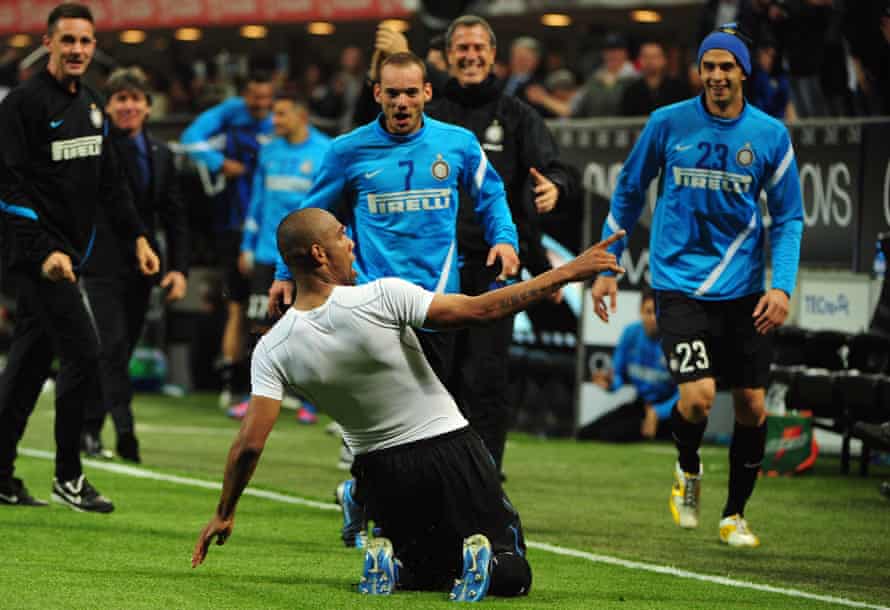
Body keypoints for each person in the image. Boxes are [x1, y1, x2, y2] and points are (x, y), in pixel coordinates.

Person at [192, 207, 625, 600]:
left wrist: (224, 513)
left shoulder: (274, 348)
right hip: (448, 450)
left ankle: (396, 564)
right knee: (514, 573)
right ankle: (488, 565)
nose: (352, 242)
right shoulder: (380, 296)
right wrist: (568, 272)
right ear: (320, 255)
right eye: (343, 235)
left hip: (379, 475)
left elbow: (250, 443)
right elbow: (478, 311)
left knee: (431, 572)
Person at [590, 23, 804, 547]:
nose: (716, 76)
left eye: (726, 66)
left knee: (752, 405)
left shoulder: (771, 136)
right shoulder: (668, 123)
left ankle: (735, 514)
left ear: (743, 72)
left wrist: (783, 288)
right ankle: (688, 468)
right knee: (699, 397)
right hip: (679, 284)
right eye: (708, 66)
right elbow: (628, 191)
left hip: (746, 290)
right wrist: (605, 263)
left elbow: (790, 218)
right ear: (699, 71)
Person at [372, 15, 577, 477]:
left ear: (492, 54)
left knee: (485, 377)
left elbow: (556, 169)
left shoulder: (519, 116)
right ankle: (418, 479)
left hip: (492, 267)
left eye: (478, 47)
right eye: (461, 47)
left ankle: (484, 482)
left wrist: (556, 190)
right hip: (427, 267)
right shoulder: (428, 110)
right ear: (448, 56)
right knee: (426, 378)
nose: (470, 55)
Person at [268, 52, 520, 389]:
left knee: (434, 412)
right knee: (379, 409)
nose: (402, 102)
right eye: (393, 93)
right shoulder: (347, 151)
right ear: (377, 94)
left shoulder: (458, 143)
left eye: (411, 93)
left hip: (437, 301)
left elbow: (491, 194)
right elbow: (310, 218)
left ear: (427, 93)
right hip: (371, 301)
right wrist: (286, 274)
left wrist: (504, 239)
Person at [0, 3, 159, 511]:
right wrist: (44, 250)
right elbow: (8, 186)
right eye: (67, 40)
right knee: (86, 352)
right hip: (36, 258)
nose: (77, 50)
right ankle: (68, 477)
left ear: (94, 47)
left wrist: (137, 236)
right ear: (48, 42)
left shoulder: (92, 105)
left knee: (27, 364)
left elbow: (110, 184)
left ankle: (0, 474)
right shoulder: (22, 105)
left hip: (70, 255)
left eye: (85, 41)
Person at [76, 67, 189, 464]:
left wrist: (178, 269)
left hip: (144, 267)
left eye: (135, 98)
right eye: (120, 99)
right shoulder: (96, 148)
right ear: (108, 107)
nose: (128, 106)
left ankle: (89, 427)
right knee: (111, 346)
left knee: (118, 355)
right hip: (101, 262)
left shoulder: (162, 154)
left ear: (147, 105)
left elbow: (175, 215)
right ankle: (124, 433)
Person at [226, 94, 331, 421]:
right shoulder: (269, 150)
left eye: (282, 113)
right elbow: (257, 201)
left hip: (306, 256)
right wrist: (247, 244)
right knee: (260, 326)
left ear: (302, 115)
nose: (275, 120)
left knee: (308, 327)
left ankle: (310, 401)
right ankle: (255, 396)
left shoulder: (325, 150)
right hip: (266, 253)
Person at [181, 72, 275, 408]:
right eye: (255, 98)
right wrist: (220, 163)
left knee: (273, 309)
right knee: (238, 306)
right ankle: (232, 385)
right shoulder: (229, 113)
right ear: (245, 94)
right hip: (235, 226)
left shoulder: (279, 122)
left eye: (267, 99)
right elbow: (191, 138)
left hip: (271, 230)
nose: (261, 105)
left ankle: (278, 389)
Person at [579, 286, 677, 442]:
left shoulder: (676, 340)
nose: (653, 318)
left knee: (611, 436)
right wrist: (610, 382)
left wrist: (659, 412)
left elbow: (686, 393)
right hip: (640, 405)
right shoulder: (630, 333)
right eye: (649, 312)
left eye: (658, 313)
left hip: (670, 411)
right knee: (585, 434)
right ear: (640, 311)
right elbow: (618, 374)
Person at [620, 41, 691, 116]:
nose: (649, 61)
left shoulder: (679, 88)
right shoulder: (630, 91)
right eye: (645, 56)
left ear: (664, 60)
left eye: (654, 57)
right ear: (639, 60)